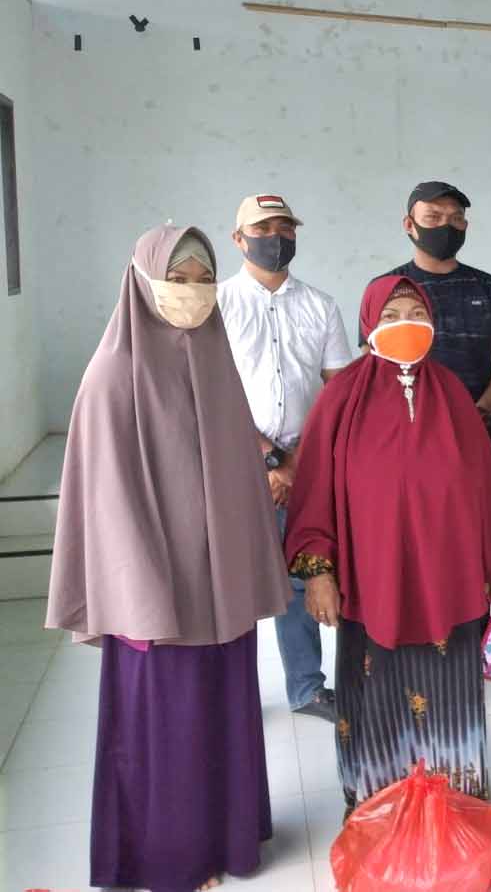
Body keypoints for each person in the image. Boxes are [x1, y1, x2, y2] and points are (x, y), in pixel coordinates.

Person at [47, 225, 290, 892]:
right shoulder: (111, 376)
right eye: (177, 280)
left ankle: (228, 837)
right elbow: (108, 504)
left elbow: (239, 478)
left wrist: (241, 568)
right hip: (157, 596)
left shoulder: (215, 361)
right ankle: (171, 858)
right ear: (143, 283)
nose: (192, 294)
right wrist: (148, 594)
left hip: (220, 588)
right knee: (168, 725)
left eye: (203, 280)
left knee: (221, 712)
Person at [285, 275, 491, 817]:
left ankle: (455, 803)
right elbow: (313, 492)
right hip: (372, 582)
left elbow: (484, 485)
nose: (405, 324)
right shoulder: (341, 399)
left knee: (448, 695)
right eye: (391, 316)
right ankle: (378, 804)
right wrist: (319, 574)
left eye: (416, 313)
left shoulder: (453, 395)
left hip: (449, 577)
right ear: (368, 323)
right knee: (378, 694)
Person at [218, 193, 354, 723]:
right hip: (236, 466)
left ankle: (306, 688)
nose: (276, 238)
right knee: (232, 584)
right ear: (239, 239)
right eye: (263, 228)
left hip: (305, 465)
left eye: (286, 228)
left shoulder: (320, 305)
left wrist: (299, 462)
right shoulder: (217, 305)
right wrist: (273, 459)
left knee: (299, 578)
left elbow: (337, 391)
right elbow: (212, 395)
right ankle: (230, 696)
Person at [380, 181, 491, 457]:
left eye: (456, 218)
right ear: (409, 224)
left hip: (479, 433)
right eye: (433, 217)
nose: (446, 226)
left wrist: (477, 415)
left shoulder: (489, 287)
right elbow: (373, 367)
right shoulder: (387, 288)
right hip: (407, 435)